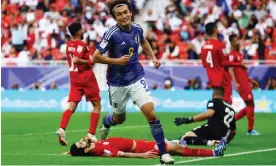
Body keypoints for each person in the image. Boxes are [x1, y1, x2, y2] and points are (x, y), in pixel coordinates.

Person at [91, 0, 174, 164]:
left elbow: (143, 41)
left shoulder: (138, 28)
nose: (123, 16)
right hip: (117, 83)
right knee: (119, 119)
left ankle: (163, 154)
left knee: (151, 113)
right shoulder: (111, 34)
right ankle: (107, 122)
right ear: (115, 17)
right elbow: (95, 56)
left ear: (130, 12)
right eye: (119, 14)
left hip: (136, 77)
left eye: (125, 12)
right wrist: (116, 61)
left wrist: (153, 57)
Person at [56, 23, 128, 146]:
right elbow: (76, 60)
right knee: (97, 105)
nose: (83, 31)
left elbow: (73, 60)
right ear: (78, 32)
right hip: (86, 77)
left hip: (74, 78)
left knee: (72, 106)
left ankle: (62, 128)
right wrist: (89, 61)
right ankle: (91, 134)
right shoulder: (81, 44)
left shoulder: (69, 45)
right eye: (82, 29)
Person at [69, 137, 227, 160]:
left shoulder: (95, 144)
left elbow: (77, 150)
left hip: (142, 142)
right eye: (81, 143)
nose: (82, 140)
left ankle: (177, 142)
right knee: (178, 149)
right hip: (142, 148)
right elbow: (121, 154)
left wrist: (70, 151)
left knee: (177, 145)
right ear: (85, 150)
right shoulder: (100, 151)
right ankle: (214, 152)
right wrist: (142, 155)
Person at [200, 22, 246, 104]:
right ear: (215, 30)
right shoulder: (219, 45)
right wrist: (239, 64)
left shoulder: (204, 46)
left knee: (217, 103)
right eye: (217, 28)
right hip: (223, 79)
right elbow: (224, 63)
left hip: (212, 79)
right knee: (227, 104)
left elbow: (204, 64)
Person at [228, 34, 260, 135]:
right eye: (235, 40)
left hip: (245, 83)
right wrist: (235, 83)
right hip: (241, 84)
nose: (238, 42)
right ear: (232, 43)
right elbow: (230, 70)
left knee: (250, 105)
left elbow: (242, 73)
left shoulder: (240, 54)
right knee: (250, 104)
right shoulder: (232, 54)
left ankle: (231, 121)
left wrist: (250, 81)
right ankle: (250, 130)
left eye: (238, 40)